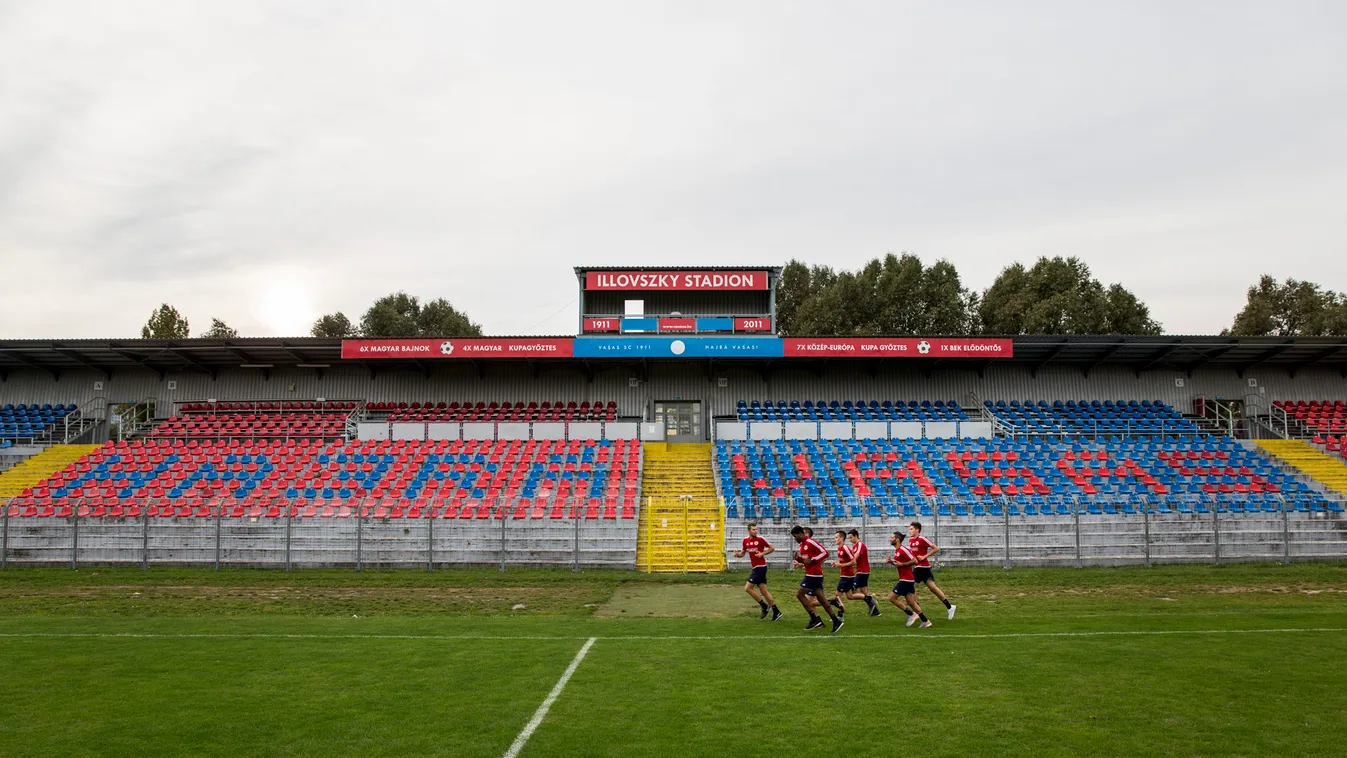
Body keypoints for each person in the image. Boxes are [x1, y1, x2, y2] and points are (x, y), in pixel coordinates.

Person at [791, 525, 843, 633]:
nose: (794, 539)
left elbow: (825, 553)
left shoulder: (811, 542)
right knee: (821, 599)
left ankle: (814, 618)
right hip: (812, 574)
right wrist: (798, 558)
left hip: (814, 574)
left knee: (800, 594)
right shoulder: (802, 546)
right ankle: (836, 620)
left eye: (795, 536)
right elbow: (806, 561)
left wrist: (813, 559)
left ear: (800, 534)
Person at [907, 522, 956, 620]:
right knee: (933, 588)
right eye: (909, 529)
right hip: (920, 567)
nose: (910, 531)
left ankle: (917, 610)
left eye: (911, 529)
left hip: (922, 567)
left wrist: (924, 556)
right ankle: (950, 607)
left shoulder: (922, 539)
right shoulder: (911, 540)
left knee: (911, 587)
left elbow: (936, 548)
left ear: (917, 530)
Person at [732, 523, 781, 621]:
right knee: (764, 590)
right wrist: (737, 554)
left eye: (756, 529)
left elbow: (772, 548)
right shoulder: (745, 541)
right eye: (753, 529)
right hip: (755, 568)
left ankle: (764, 606)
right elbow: (743, 553)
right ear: (749, 530)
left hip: (761, 567)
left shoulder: (760, 539)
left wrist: (762, 553)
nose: (755, 531)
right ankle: (776, 612)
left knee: (748, 588)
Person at [885, 531, 931, 628]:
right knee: (911, 602)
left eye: (892, 537)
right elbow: (900, 564)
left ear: (897, 539)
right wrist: (892, 562)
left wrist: (902, 564)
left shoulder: (903, 550)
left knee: (891, 598)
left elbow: (914, 561)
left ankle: (911, 614)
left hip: (906, 580)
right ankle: (926, 621)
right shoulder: (897, 551)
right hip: (906, 579)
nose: (890, 539)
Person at [844, 529, 881, 616]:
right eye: (849, 538)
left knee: (851, 591)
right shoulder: (854, 546)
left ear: (856, 536)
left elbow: (855, 557)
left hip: (863, 571)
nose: (850, 540)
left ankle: (870, 598)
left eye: (851, 537)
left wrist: (845, 564)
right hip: (860, 571)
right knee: (863, 592)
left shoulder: (860, 545)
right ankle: (875, 611)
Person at [827, 530, 853, 618]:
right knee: (849, 596)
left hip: (847, 576)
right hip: (845, 575)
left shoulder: (845, 548)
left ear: (841, 538)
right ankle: (868, 599)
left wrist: (840, 565)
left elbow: (854, 562)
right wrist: (836, 563)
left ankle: (840, 616)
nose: (835, 539)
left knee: (838, 595)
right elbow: (843, 561)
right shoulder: (839, 548)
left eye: (836, 537)